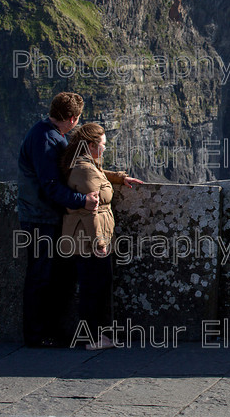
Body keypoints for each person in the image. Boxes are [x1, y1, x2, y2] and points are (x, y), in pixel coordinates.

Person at [17, 92, 99, 348]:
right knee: (40, 277)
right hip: (39, 218)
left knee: (50, 277)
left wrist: (118, 177)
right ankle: (35, 335)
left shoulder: (49, 134)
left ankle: (47, 331)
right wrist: (82, 201)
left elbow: (79, 167)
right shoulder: (46, 140)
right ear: (73, 119)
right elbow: (51, 185)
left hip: (44, 216)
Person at [59, 123, 142, 350]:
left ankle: (99, 336)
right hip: (88, 241)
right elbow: (89, 212)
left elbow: (99, 176)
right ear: (90, 145)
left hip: (90, 239)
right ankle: (93, 338)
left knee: (98, 285)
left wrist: (120, 177)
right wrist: (99, 243)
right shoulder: (83, 169)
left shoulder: (86, 164)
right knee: (93, 288)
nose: (105, 149)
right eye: (103, 145)